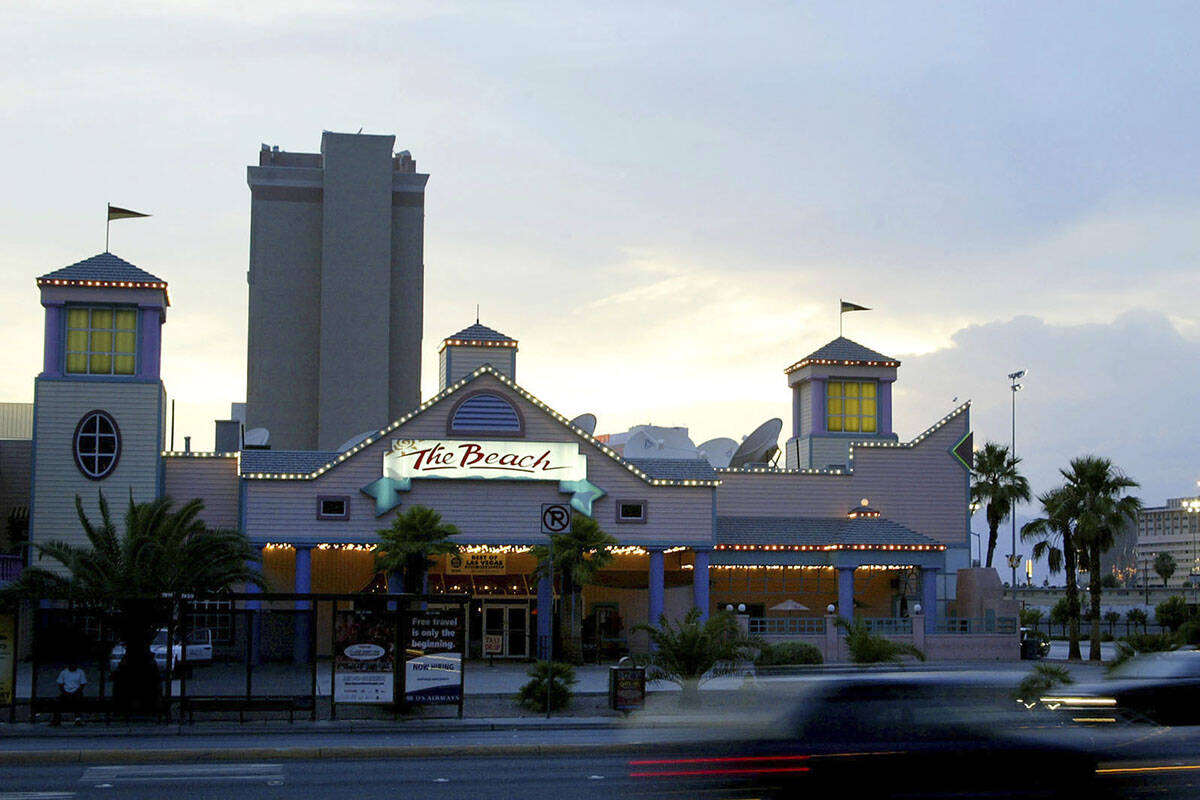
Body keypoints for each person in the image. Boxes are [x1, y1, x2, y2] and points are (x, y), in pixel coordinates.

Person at [52, 661, 87, 726]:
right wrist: (65, 692)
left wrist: (76, 691)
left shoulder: (80, 672)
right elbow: (60, 684)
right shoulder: (64, 672)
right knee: (57, 701)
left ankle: (77, 719)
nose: (73, 666)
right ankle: (56, 719)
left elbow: (82, 684)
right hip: (66, 691)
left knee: (78, 701)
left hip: (76, 691)